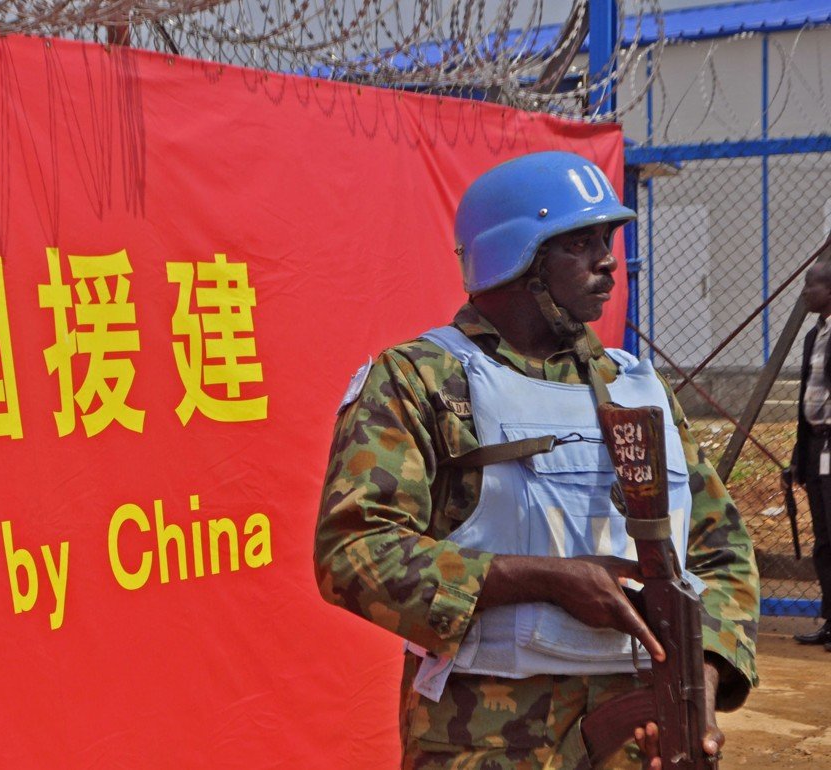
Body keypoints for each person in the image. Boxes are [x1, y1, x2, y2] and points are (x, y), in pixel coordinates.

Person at [315, 151, 759, 769]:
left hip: (640, 736)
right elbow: (353, 551)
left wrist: (697, 687)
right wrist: (544, 579)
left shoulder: (634, 388)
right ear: (516, 258)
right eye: (579, 242)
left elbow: (719, 550)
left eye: (607, 239)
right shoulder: (423, 381)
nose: (608, 259)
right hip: (486, 739)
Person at [790, 263, 831, 649]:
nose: (805, 291)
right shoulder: (813, 335)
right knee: (823, 539)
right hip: (817, 446)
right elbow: (806, 401)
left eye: (812, 284)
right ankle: (830, 620)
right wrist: (798, 459)